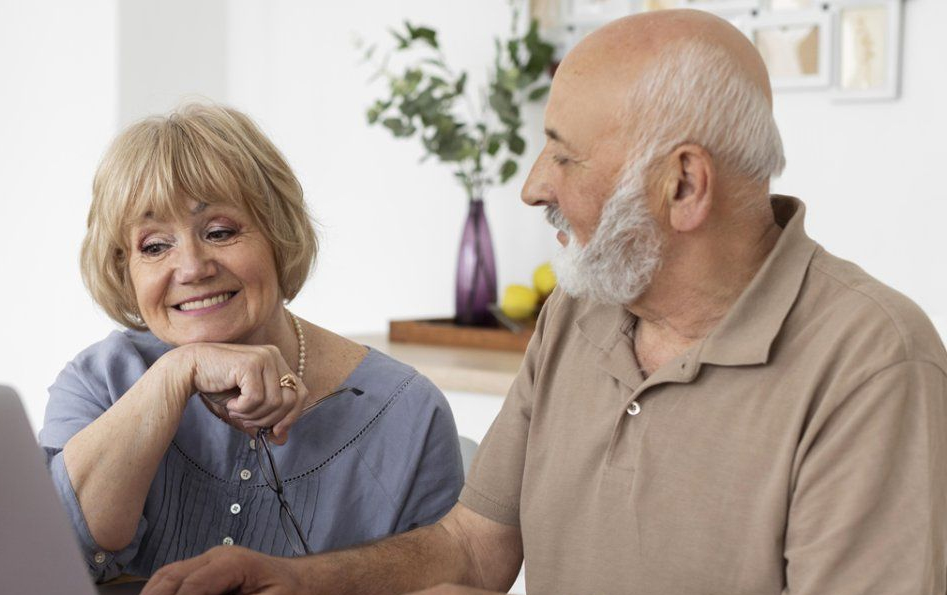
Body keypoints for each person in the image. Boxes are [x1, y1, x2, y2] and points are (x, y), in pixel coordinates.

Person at [139, 10, 947, 595]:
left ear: (683, 184)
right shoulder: (580, 312)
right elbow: (474, 547)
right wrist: (294, 579)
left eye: (564, 156)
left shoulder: (871, 362)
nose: (533, 186)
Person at [38, 103, 464, 582]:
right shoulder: (99, 382)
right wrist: (179, 371)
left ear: (279, 235)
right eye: (155, 246)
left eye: (219, 232)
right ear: (124, 269)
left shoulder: (406, 413)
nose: (192, 268)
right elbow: (44, 558)